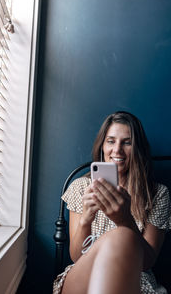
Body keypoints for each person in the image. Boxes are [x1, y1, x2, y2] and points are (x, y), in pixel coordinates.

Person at [53, 111, 171, 294]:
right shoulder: (80, 187)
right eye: (111, 141)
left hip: (136, 279)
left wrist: (125, 221)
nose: (117, 150)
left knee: (122, 236)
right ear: (102, 145)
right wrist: (86, 219)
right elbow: (77, 257)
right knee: (120, 236)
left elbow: (146, 262)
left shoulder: (157, 194)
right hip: (84, 275)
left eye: (127, 142)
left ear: (138, 148)